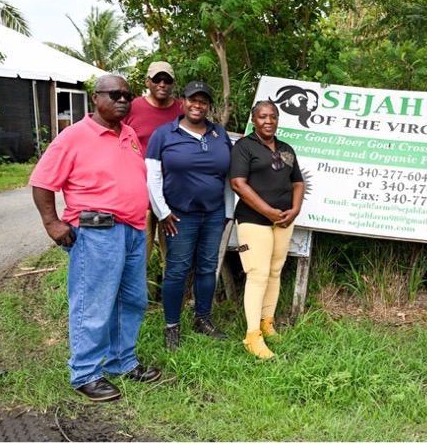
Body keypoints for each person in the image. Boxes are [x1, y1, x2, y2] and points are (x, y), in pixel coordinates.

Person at [29, 74, 161, 402]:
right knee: (94, 304)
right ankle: (86, 372)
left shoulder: (128, 133)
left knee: (132, 300)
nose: (122, 100)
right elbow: (42, 182)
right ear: (95, 98)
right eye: (114, 94)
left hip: (132, 231)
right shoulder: (73, 137)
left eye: (127, 95)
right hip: (97, 232)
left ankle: (121, 361)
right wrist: (52, 223)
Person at [146, 81, 234, 351]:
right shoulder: (164, 134)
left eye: (203, 101)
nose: (198, 105)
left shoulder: (219, 134)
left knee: (208, 267)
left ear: (209, 105)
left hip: (213, 213)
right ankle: (172, 325)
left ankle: (202, 319)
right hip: (179, 215)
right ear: (182, 101)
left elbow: (229, 176)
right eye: (192, 99)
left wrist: (228, 212)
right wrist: (163, 212)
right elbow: (153, 177)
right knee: (177, 270)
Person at [230, 100, 304, 360]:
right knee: (257, 273)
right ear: (254, 120)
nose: (268, 121)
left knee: (274, 272)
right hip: (253, 220)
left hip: (283, 220)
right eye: (263, 117)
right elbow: (238, 184)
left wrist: (294, 210)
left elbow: (297, 182)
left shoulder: (285, 149)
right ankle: (252, 336)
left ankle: (267, 323)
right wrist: (269, 212)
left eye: (273, 116)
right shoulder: (244, 147)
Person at [122, 61, 184, 266]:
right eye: (157, 79)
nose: (162, 84)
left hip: (173, 194)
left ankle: (173, 298)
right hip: (141, 194)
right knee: (139, 255)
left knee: (173, 256)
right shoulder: (133, 108)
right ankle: (139, 298)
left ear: (173, 83)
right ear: (147, 81)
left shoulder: (182, 110)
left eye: (167, 80)